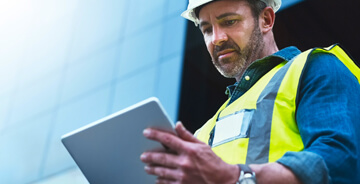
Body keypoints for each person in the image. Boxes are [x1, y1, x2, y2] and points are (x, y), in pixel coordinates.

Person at [140, 0, 360, 183]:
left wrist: (237, 177)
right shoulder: (202, 133)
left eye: (229, 21)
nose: (216, 38)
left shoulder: (313, 67)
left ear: (266, 20)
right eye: (207, 29)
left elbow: (341, 161)